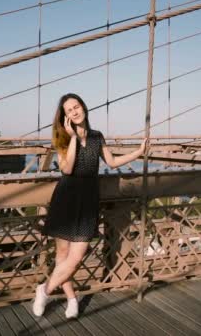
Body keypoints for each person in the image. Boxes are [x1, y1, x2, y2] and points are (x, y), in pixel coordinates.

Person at [32, 93, 148, 318]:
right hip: (66, 198)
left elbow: (112, 162)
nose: (74, 111)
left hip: (87, 200)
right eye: (69, 110)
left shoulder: (97, 136)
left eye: (76, 107)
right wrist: (73, 138)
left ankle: (44, 290)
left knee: (75, 259)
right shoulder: (62, 137)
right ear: (65, 117)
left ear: (83, 107)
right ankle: (72, 300)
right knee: (62, 254)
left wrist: (138, 152)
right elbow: (67, 169)